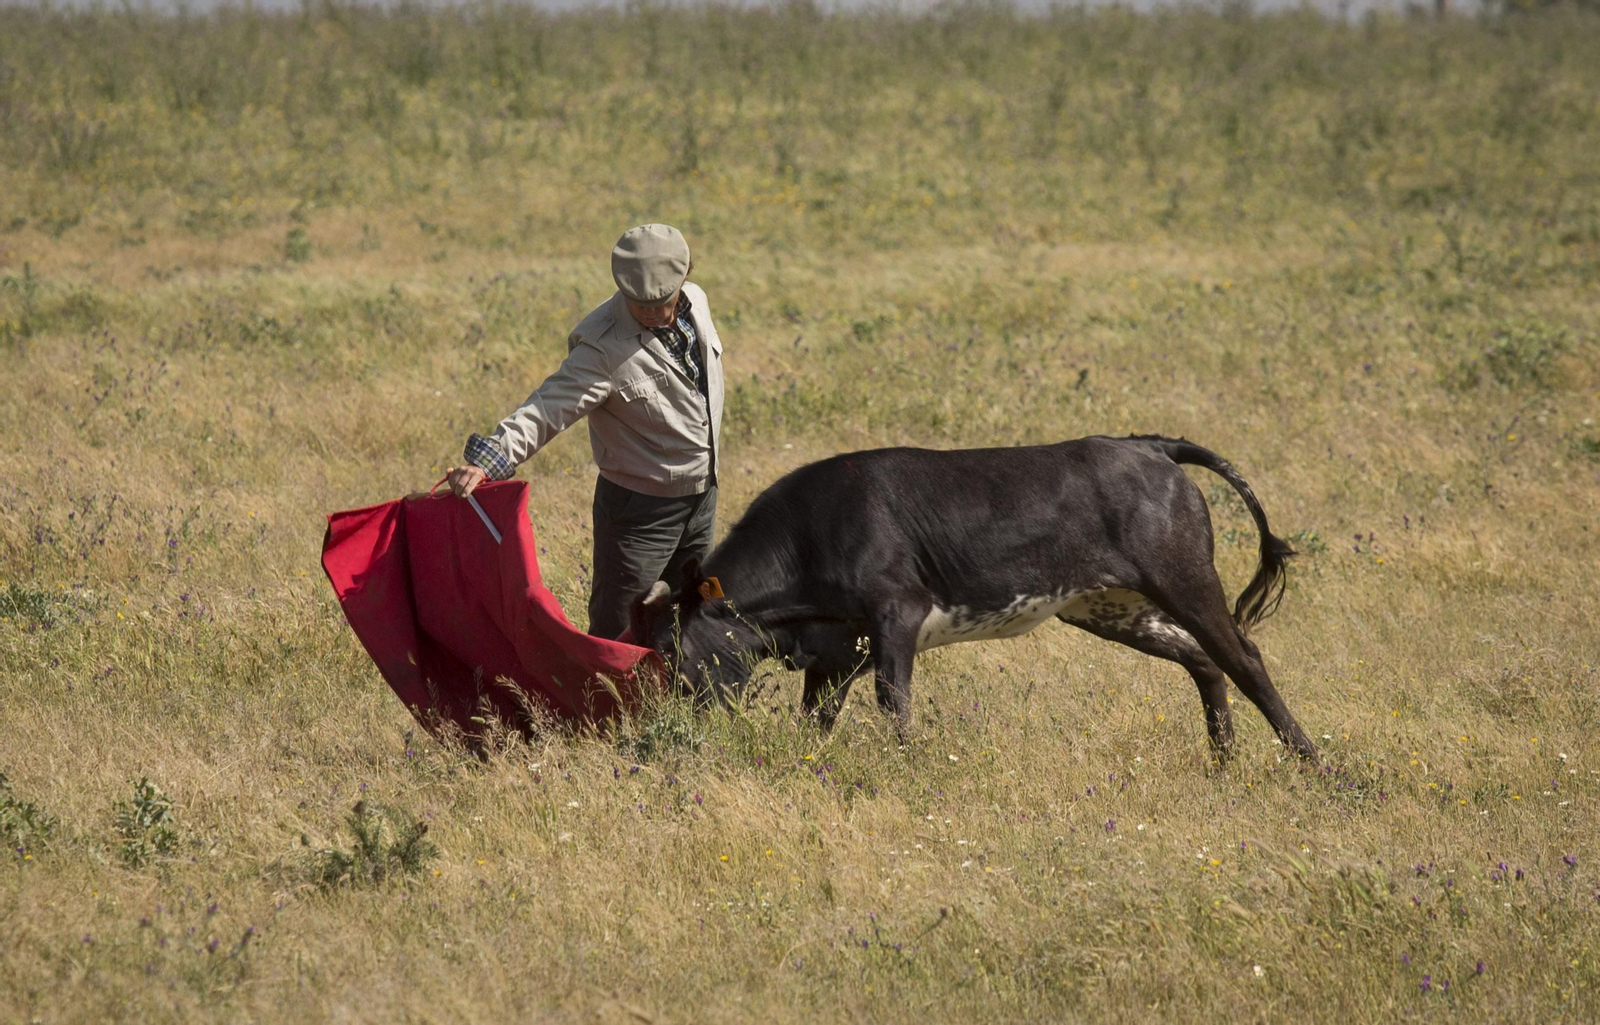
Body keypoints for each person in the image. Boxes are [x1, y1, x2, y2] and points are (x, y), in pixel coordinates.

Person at [444, 224, 724, 639]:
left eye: (661, 302)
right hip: (638, 512)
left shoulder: (697, 303)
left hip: (703, 496)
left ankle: (685, 698)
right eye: (639, 303)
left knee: (697, 606)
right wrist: (489, 460)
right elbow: (546, 408)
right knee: (620, 623)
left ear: (683, 280)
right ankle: (607, 703)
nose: (650, 312)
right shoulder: (600, 347)